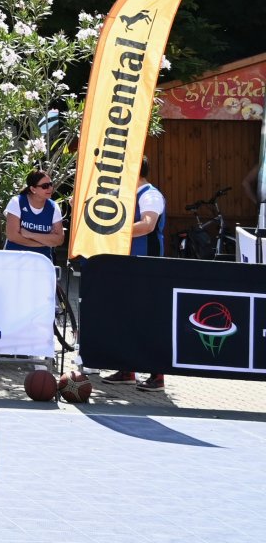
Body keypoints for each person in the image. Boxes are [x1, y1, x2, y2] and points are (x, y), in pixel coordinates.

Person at [105, 158, 168, 391]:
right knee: (126, 317)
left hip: (146, 266)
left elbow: (148, 225)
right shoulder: (130, 196)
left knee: (147, 319)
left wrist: (114, 232)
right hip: (128, 264)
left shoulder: (150, 195)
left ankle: (157, 375)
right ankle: (127, 370)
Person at [3, 169, 65, 262]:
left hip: (42, 261)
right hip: (15, 259)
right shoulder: (17, 202)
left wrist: (29, 234)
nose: (50, 188)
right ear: (33, 189)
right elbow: (12, 236)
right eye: (45, 186)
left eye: (50, 184)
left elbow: (59, 239)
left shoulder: (53, 207)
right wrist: (43, 242)